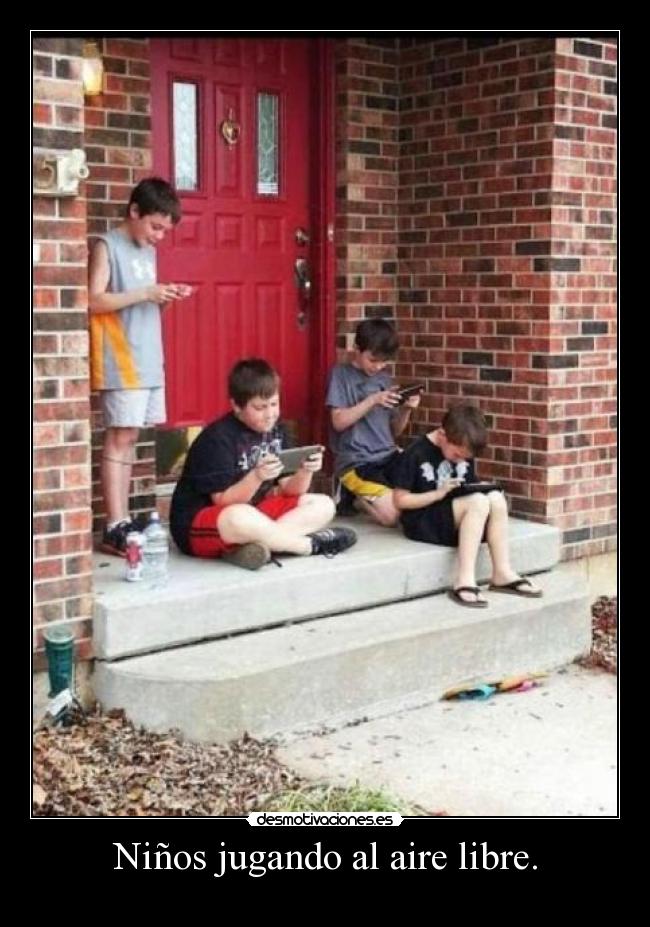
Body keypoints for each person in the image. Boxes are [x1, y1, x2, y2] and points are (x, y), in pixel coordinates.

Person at [169, 358, 357, 570]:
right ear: (236, 406)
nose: (270, 415)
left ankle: (256, 545)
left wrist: (305, 470)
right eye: (260, 407)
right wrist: (257, 476)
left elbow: (290, 491)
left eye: (274, 404)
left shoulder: (278, 430)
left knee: (323, 504)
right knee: (240, 516)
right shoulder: (217, 438)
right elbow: (223, 502)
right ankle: (306, 546)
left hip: (255, 514)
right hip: (202, 523)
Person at [88, 176, 191, 556]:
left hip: (148, 355)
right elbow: (94, 300)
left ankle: (123, 521)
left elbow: (141, 303)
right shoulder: (107, 245)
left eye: (164, 230)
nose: (159, 236)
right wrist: (146, 292)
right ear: (134, 211)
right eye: (155, 226)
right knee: (120, 437)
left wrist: (163, 297)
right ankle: (113, 524)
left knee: (131, 437)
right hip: (121, 355)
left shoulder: (147, 251)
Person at [392, 402, 543, 608]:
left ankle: (502, 572)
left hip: (455, 518)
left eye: (465, 458)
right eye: (456, 455)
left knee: (495, 498)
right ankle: (464, 580)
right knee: (478, 502)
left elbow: (468, 486)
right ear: (442, 435)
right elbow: (400, 500)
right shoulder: (416, 452)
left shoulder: (462, 448)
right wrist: (437, 494)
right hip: (424, 520)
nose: (459, 460)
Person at [326, 318, 421, 527]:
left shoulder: (384, 380)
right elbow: (338, 422)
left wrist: (406, 409)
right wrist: (372, 400)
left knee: (420, 492)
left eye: (383, 362)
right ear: (356, 348)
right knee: (393, 517)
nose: (378, 366)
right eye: (372, 360)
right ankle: (354, 495)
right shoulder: (340, 375)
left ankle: (365, 497)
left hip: (388, 455)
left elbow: (395, 432)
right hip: (357, 461)